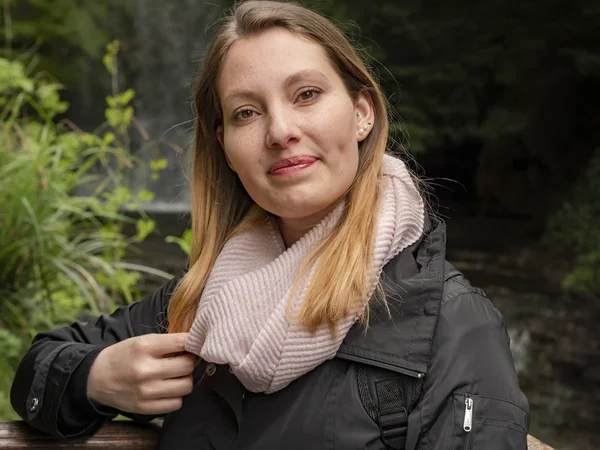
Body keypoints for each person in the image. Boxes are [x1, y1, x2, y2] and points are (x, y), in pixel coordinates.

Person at [10, 1, 530, 449]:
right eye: (246, 113)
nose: (280, 131)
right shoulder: (203, 299)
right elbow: (39, 363)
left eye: (306, 94)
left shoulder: (455, 326)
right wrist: (94, 380)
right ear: (226, 150)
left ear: (361, 113)